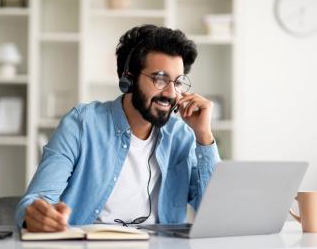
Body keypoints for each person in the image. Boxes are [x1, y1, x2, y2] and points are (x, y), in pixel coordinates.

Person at [15, 24, 221, 232]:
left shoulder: (182, 136)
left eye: (177, 82)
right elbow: (35, 201)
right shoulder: (82, 124)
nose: (170, 93)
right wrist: (36, 216)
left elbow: (215, 213)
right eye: (160, 79)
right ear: (128, 80)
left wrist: (203, 135)